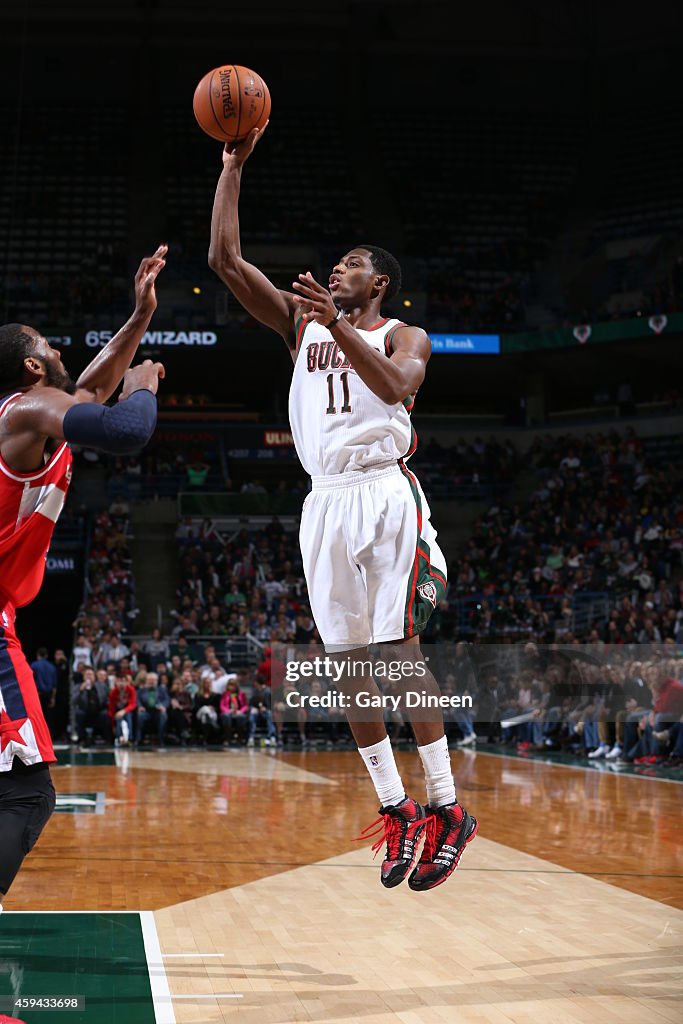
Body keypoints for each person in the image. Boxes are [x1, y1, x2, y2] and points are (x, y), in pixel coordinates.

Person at [209, 130, 476, 891]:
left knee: (397, 655)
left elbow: (395, 388)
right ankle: (396, 810)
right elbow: (225, 264)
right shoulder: (302, 326)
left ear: (379, 284)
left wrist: (334, 324)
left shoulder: (402, 333)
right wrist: (230, 170)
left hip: (385, 492)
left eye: (353, 264)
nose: (338, 268)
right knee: (350, 668)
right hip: (323, 501)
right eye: (337, 264)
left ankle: (448, 807)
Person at [0, 246, 166, 905]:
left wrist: (140, 315)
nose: (59, 350)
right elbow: (123, 428)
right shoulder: (26, 410)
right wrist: (148, 385)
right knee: (29, 794)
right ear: (33, 365)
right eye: (47, 345)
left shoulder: (31, 414)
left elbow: (92, 389)